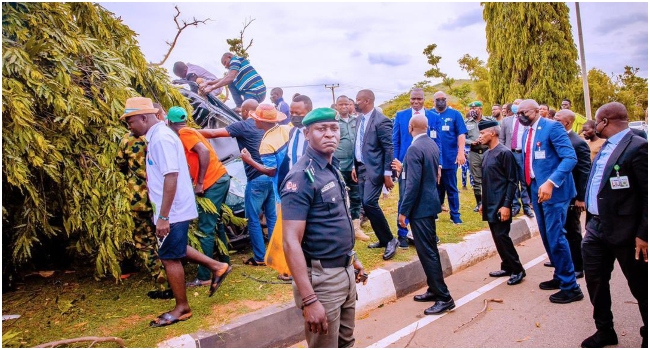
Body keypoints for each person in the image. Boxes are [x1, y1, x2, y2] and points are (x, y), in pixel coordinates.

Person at [121, 97, 231, 327]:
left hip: (173, 210)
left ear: (144, 117)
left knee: (169, 257)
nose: (129, 126)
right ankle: (217, 266)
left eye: (130, 121)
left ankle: (182, 308)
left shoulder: (161, 139)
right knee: (175, 248)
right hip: (171, 208)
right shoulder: (158, 136)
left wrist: (163, 217)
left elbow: (171, 176)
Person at [281, 108, 368, 348]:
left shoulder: (331, 168)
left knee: (346, 342)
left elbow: (333, 222)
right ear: (307, 133)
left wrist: (352, 257)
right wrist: (309, 300)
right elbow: (290, 242)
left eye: (334, 128)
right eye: (321, 129)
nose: (329, 134)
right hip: (322, 282)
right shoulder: (300, 177)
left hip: (345, 271)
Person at [581, 102, 647, 348]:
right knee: (595, 281)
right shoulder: (605, 147)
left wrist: (644, 234)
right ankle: (605, 330)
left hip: (628, 232)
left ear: (604, 122)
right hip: (596, 228)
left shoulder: (638, 147)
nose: (594, 126)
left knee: (641, 286)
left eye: (596, 121)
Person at [518, 99, 583, 304]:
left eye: (524, 112)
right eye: (517, 112)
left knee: (556, 237)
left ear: (538, 111)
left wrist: (551, 182)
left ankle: (571, 287)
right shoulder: (527, 132)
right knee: (547, 237)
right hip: (536, 189)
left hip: (554, 190)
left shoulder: (553, 127)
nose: (520, 116)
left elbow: (570, 158)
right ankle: (560, 275)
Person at [198, 99, 276, 267]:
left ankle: (260, 257)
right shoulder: (269, 127)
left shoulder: (243, 125)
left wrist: (187, 131)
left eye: (242, 111)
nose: (240, 114)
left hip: (256, 179)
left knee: (253, 219)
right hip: (271, 176)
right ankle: (277, 254)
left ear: (248, 112)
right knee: (272, 216)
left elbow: (212, 134)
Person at [166, 106, 232, 288]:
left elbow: (203, 152)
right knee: (216, 223)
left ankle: (204, 276)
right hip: (220, 178)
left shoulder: (185, 133)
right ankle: (225, 262)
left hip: (212, 182)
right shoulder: (190, 130)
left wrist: (200, 182)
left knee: (205, 228)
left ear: (170, 122)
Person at [396, 115, 455, 315]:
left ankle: (444, 297)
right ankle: (433, 288)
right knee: (429, 249)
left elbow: (412, 184)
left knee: (427, 252)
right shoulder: (431, 144)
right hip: (429, 204)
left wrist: (403, 211)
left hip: (420, 208)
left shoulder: (414, 148)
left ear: (410, 126)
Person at [116, 103, 169, 297]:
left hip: (139, 200)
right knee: (167, 240)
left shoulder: (128, 141)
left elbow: (120, 166)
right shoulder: (159, 136)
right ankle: (175, 277)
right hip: (162, 199)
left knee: (145, 242)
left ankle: (163, 284)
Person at [477, 119, 526, 285]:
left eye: (483, 133)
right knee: (496, 237)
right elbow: (487, 181)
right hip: (490, 203)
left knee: (502, 236)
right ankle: (506, 266)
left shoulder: (505, 153)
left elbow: (513, 181)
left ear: (493, 133)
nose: (480, 136)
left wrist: (507, 205)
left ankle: (518, 269)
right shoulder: (486, 154)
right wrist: (483, 202)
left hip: (501, 204)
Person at [392, 88, 442, 248]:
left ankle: (427, 233)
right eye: (413, 99)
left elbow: (438, 141)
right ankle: (403, 234)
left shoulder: (433, 117)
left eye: (419, 99)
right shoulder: (401, 116)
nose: (415, 102)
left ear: (424, 99)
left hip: (427, 163)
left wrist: (438, 164)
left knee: (427, 195)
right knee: (405, 196)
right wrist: (397, 163)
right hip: (405, 164)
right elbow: (396, 141)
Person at [351, 89, 398, 260]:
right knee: (367, 205)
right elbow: (358, 145)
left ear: (368, 100)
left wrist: (387, 174)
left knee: (369, 202)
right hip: (360, 168)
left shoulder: (381, 120)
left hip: (375, 169)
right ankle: (384, 239)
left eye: (358, 100)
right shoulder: (358, 120)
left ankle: (391, 240)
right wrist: (354, 166)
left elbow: (388, 148)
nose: (355, 103)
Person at [553, 109, 591, 279]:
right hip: (558, 193)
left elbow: (584, 172)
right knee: (562, 230)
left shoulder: (577, 142)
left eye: (557, 119)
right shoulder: (558, 138)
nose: (553, 121)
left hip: (572, 195)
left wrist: (581, 198)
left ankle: (578, 265)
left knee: (572, 231)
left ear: (567, 123)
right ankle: (564, 261)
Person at [334, 95, 368, 241]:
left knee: (356, 196)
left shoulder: (357, 120)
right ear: (336, 106)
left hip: (354, 165)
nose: (344, 107)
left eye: (346, 104)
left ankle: (356, 227)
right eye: (340, 104)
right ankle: (341, 228)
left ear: (351, 105)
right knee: (339, 196)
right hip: (339, 165)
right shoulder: (333, 121)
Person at [241, 104, 290, 203]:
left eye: (255, 118)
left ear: (262, 121)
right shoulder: (286, 129)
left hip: (282, 185)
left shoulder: (266, 143)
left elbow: (271, 171)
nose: (254, 120)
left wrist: (249, 160)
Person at [431, 91, 466, 224]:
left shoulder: (455, 114)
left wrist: (461, 152)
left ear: (447, 100)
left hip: (450, 157)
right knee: (434, 187)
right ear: (433, 101)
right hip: (433, 158)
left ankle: (455, 215)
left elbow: (461, 134)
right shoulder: (429, 115)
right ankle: (434, 213)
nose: (440, 101)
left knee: (451, 187)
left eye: (443, 99)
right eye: (438, 99)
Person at [499, 103, 535, 218]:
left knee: (524, 181)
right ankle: (515, 205)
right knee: (511, 180)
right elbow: (502, 138)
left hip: (522, 154)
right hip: (510, 153)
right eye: (514, 104)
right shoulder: (506, 121)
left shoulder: (527, 121)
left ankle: (526, 206)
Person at [200, 53, 266, 109]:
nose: (225, 66)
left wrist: (212, 88)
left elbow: (230, 78)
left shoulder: (235, 60)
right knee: (230, 83)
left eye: (225, 63)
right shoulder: (236, 67)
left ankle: (241, 108)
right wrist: (209, 83)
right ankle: (239, 106)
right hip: (252, 91)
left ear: (230, 57)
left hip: (255, 90)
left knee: (247, 111)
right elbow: (225, 78)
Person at [277, 94, 312, 186]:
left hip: (310, 184)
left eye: (298, 113)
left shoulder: (315, 134)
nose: (293, 116)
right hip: (292, 184)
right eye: (291, 113)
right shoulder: (292, 131)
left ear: (309, 112)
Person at [465, 101, 493, 212]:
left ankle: (490, 201)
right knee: (476, 179)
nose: (472, 110)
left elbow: (495, 133)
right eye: (471, 108)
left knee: (489, 177)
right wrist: (471, 142)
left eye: (475, 108)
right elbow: (462, 137)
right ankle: (479, 203)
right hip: (474, 152)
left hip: (487, 151)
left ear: (480, 109)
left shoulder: (489, 121)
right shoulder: (466, 122)